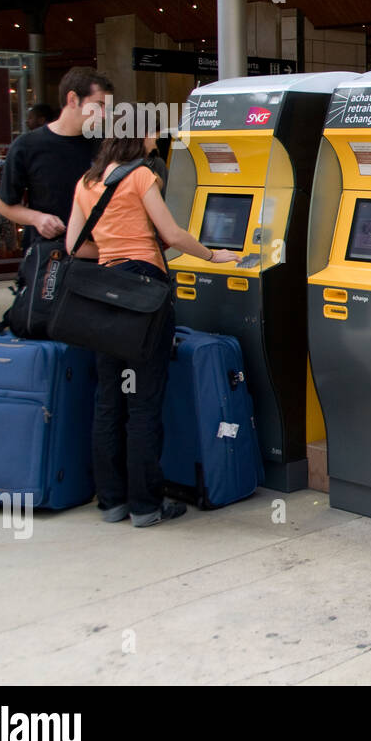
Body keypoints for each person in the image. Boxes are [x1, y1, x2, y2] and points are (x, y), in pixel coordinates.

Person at [65, 134, 239, 527]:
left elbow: (75, 245)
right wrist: (214, 254)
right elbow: (173, 235)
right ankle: (146, 506)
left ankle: (111, 502)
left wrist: (113, 252)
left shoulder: (86, 181)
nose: (154, 139)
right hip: (144, 291)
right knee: (143, 402)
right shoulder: (142, 177)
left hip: (105, 294)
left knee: (109, 399)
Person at [0, 68, 109, 250]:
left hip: (97, 254)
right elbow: (5, 205)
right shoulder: (27, 146)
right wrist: (37, 218)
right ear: (72, 99)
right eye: (98, 105)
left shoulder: (105, 145)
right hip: (49, 255)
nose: (103, 114)